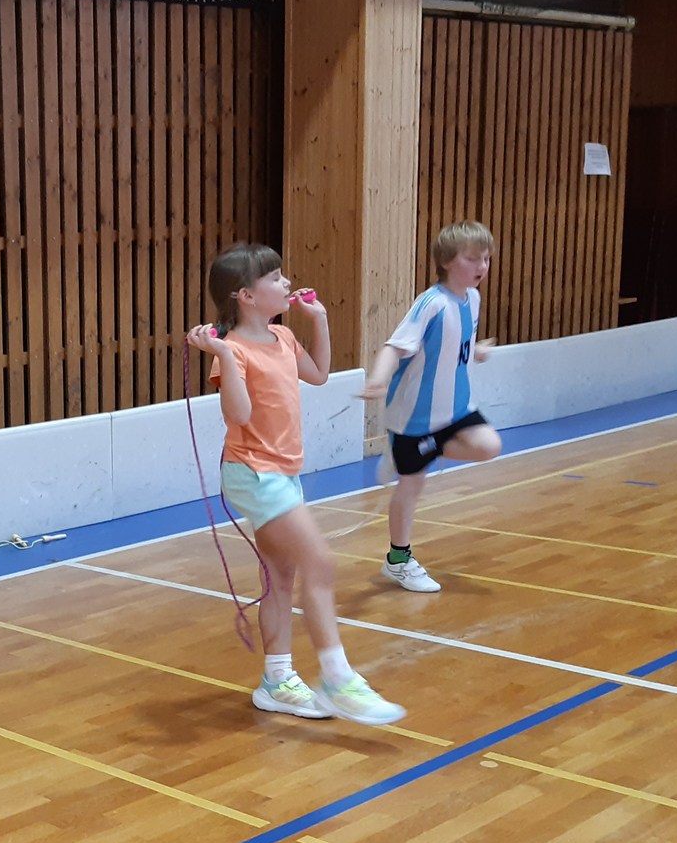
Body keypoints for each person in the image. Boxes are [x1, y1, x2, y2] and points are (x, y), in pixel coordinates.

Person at [187, 244, 406, 726]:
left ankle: (277, 681)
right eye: (275, 278)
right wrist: (222, 353)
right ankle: (338, 677)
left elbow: (320, 375)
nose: (286, 283)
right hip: (253, 474)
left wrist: (320, 321)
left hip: (284, 472)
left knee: (280, 578)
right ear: (246, 295)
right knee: (320, 562)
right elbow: (238, 415)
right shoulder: (233, 351)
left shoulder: (284, 336)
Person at [360, 221, 504, 593]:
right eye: (472, 258)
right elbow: (394, 347)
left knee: (489, 446)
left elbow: (453, 344)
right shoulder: (432, 303)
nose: (482, 266)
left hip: (456, 408)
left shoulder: (472, 299)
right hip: (415, 417)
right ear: (447, 261)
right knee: (412, 486)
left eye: (486, 258)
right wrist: (378, 379)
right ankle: (398, 560)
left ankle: (422, 451)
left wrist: (476, 350)